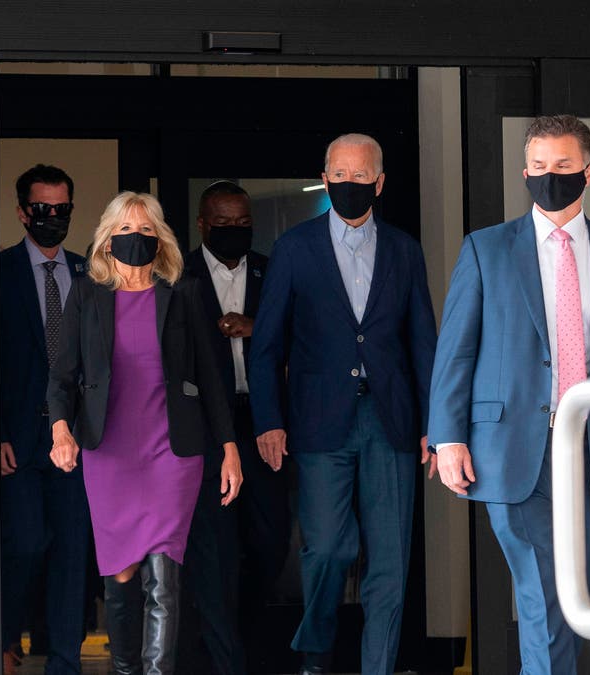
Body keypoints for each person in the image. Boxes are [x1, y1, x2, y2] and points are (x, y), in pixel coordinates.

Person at [427, 114, 590, 674]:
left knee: (579, 591)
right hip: (518, 447)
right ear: (524, 172)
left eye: (562, 166)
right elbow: (456, 352)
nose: (550, 176)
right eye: (539, 167)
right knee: (546, 593)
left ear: (588, 172)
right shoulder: (485, 250)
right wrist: (448, 438)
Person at [249, 134, 438, 675]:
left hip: (392, 423)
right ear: (325, 177)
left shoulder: (403, 248)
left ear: (379, 182)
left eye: (360, 177)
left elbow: (423, 340)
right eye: (339, 175)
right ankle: (317, 654)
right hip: (316, 422)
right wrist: (269, 420)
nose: (349, 185)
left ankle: (377, 667)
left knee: (390, 567)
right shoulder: (295, 247)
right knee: (328, 548)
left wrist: (434, 423)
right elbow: (266, 346)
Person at [47, 191, 244, 675]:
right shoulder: (88, 295)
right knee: (122, 575)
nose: (136, 239)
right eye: (126, 231)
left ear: (161, 242)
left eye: (146, 231)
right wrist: (60, 432)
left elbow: (211, 379)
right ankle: (126, 670)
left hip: (171, 453)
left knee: (163, 573)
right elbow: (61, 376)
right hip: (109, 454)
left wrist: (230, 449)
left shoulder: (184, 293)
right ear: (107, 240)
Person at [179, 181, 290, 675]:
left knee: (269, 538)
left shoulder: (272, 269)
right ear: (202, 225)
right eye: (223, 225)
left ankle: (250, 635)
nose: (234, 232)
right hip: (205, 426)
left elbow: (304, 335)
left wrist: (255, 324)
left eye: (243, 224)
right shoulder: (179, 273)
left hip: (263, 421)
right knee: (214, 545)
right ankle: (221, 656)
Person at [0, 164, 89, 675]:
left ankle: (64, 662)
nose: (52, 217)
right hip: (20, 440)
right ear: (22, 212)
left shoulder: (87, 273)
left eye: (61, 209)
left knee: (73, 554)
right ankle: (7, 635)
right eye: (42, 209)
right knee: (28, 543)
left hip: (75, 440)